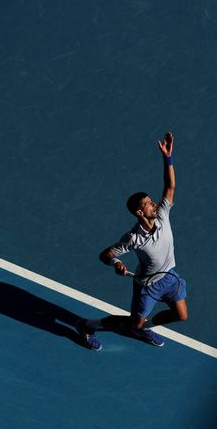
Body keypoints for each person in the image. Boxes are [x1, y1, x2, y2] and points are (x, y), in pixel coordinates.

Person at [76, 132, 188, 351]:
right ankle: (87, 325)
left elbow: (170, 186)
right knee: (131, 323)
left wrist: (168, 158)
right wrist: (116, 263)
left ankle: (146, 327)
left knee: (181, 315)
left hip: (170, 276)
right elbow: (105, 255)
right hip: (147, 286)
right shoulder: (133, 238)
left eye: (151, 201)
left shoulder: (163, 214)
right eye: (148, 204)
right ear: (139, 212)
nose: (154, 203)